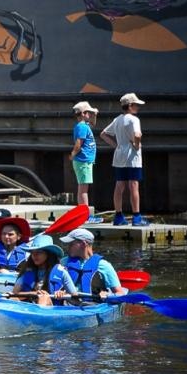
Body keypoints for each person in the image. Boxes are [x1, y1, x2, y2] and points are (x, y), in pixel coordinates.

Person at [100, 92, 145, 227]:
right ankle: (137, 217)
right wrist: (137, 145)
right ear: (130, 106)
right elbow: (137, 135)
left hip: (119, 155)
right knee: (133, 185)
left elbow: (103, 134)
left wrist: (116, 145)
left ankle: (119, 216)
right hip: (132, 156)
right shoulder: (134, 119)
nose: (138, 107)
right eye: (136, 105)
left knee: (119, 185)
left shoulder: (117, 119)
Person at [11, 234, 83, 306]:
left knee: (44, 298)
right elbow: (14, 294)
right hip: (28, 307)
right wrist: (33, 293)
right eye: (32, 252)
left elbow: (76, 301)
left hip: (51, 310)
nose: (34, 255)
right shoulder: (27, 271)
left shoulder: (61, 272)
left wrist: (64, 295)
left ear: (49, 254)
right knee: (12, 299)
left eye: (39, 252)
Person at [59, 228, 124, 300]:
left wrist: (108, 295)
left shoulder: (104, 266)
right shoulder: (63, 262)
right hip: (68, 305)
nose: (68, 247)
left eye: (71, 244)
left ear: (83, 244)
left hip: (93, 306)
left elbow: (120, 293)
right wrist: (59, 292)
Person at [68, 100, 100, 222]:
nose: (90, 115)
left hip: (85, 161)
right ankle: (85, 215)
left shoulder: (84, 126)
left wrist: (94, 115)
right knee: (83, 189)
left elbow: (93, 124)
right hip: (82, 161)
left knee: (83, 188)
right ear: (83, 114)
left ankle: (84, 214)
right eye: (88, 113)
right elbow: (78, 144)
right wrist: (73, 154)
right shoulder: (81, 127)